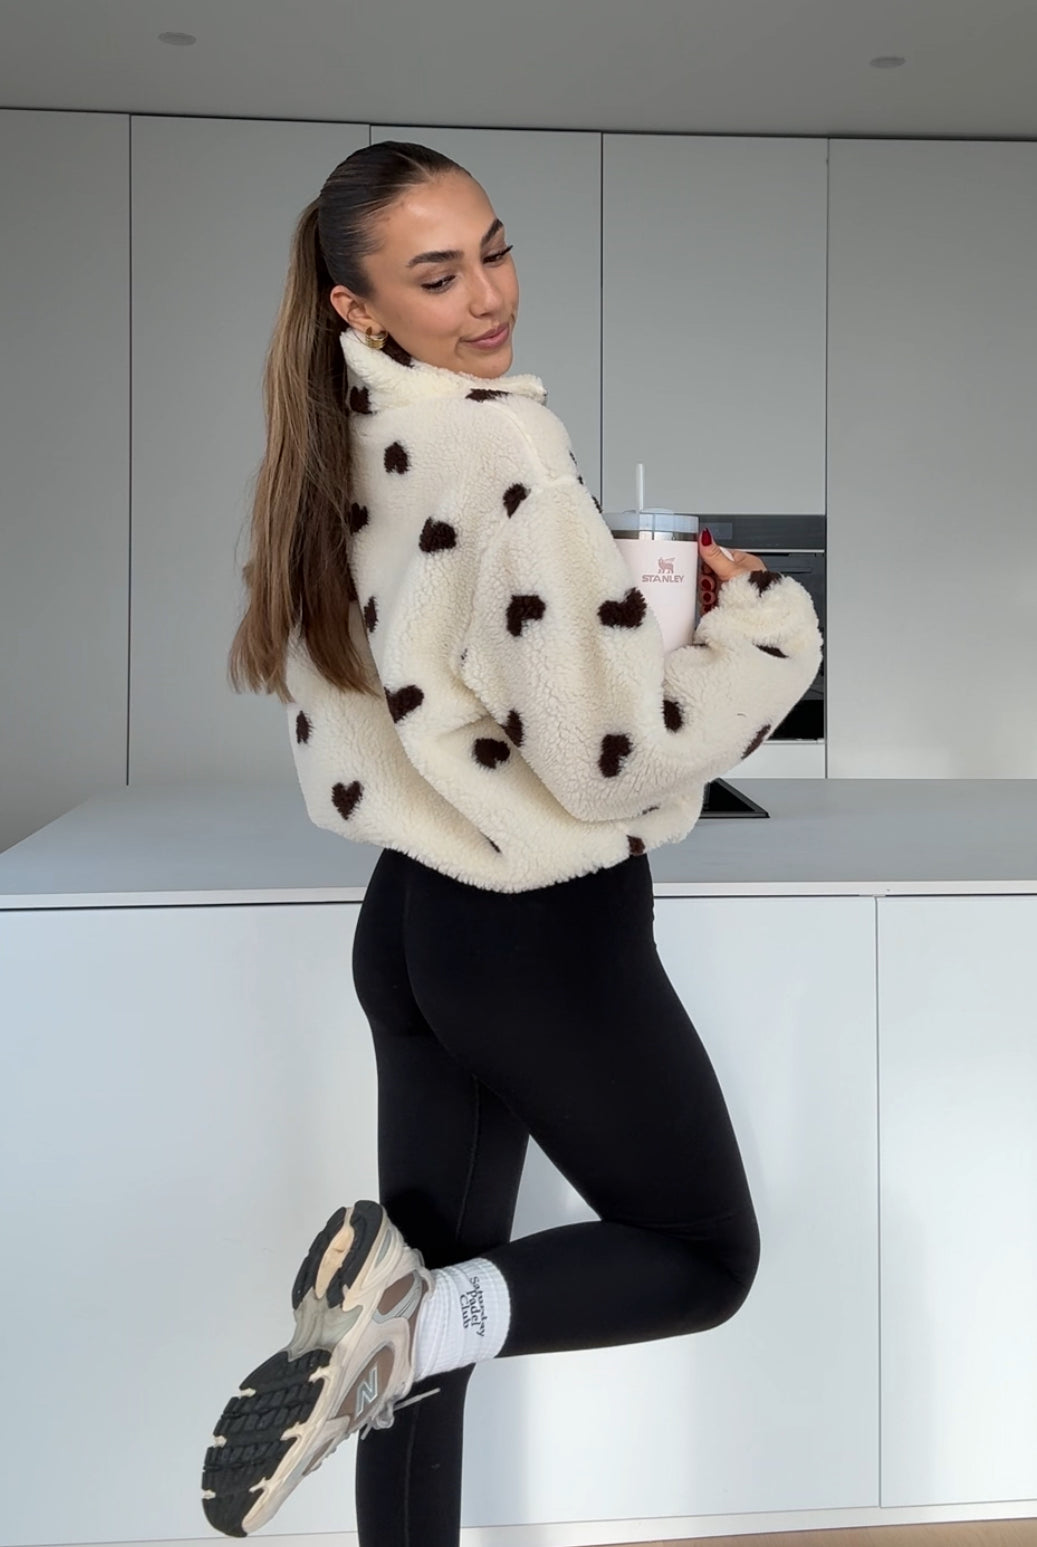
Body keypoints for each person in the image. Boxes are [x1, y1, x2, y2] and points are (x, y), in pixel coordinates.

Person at [202, 140, 824, 1545]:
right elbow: (613, 760)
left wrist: (609, 634)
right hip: (534, 930)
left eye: (494, 249)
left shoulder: (331, 440)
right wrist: (763, 628)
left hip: (410, 923)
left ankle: (396, 1332)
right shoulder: (500, 444)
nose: (488, 296)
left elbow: (446, 686)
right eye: (437, 275)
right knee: (698, 1256)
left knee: (421, 1311)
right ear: (358, 304)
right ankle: (404, 1330)